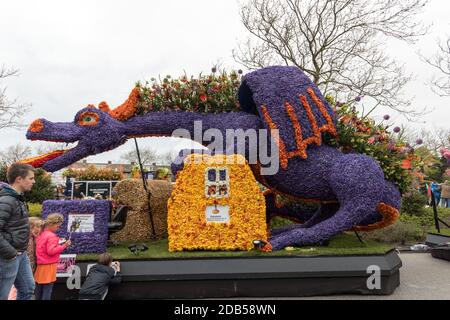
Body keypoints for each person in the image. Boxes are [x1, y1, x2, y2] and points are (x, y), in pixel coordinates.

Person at [0, 163, 36, 300]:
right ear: (19, 179)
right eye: (31, 178)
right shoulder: (6, 200)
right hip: (8, 256)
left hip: (20, 254)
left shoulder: (17, 198)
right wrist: (10, 253)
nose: (34, 181)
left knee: (28, 288)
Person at [34, 213, 71, 300]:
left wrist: (58, 243)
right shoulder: (52, 236)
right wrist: (64, 245)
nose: (58, 228)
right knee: (47, 291)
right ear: (51, 224)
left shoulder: (42, 234)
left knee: (39, 290)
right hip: (49, 266)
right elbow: (51, 251)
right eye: (58, 226)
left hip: (40, 265)